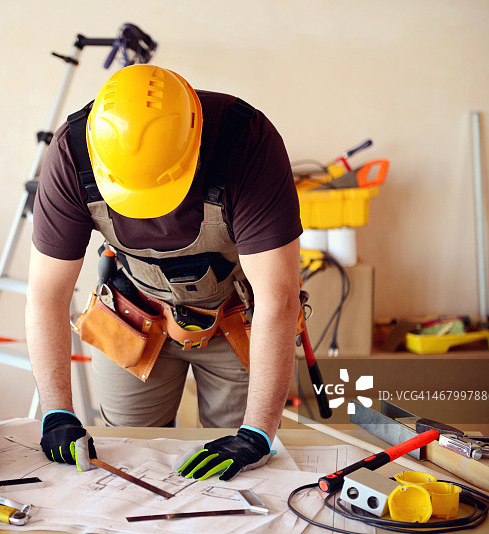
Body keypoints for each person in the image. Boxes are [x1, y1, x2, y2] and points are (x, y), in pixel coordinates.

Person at [26, 64, 302, 481]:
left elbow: (277, 300)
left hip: (236, 321)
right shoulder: (72, 155)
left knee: (241, 471)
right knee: (126, 458)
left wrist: (257, 433)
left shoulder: (247, 142)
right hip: (134, 319)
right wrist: (57, 413)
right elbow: (46, 296)